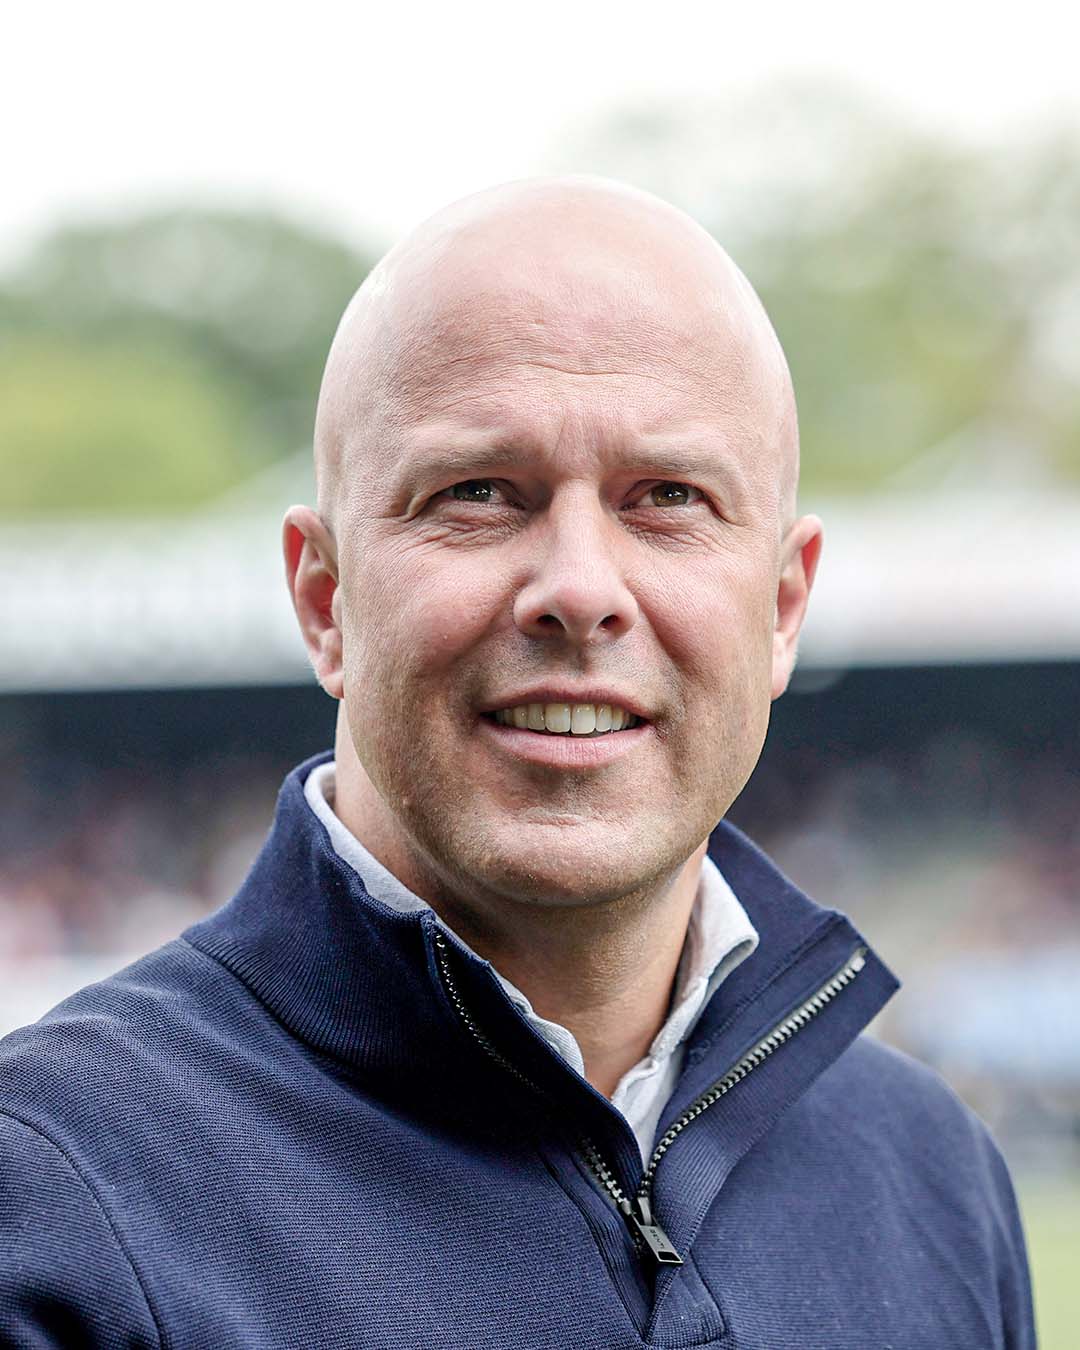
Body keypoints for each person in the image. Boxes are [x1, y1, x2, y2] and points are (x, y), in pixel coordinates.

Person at [0, 177, 1034, 1348]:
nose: (581, 590)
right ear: (326, 599)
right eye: (478, 494)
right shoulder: (55, 1193)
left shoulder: (936, 1181)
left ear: (783, 608)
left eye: (670, 498)